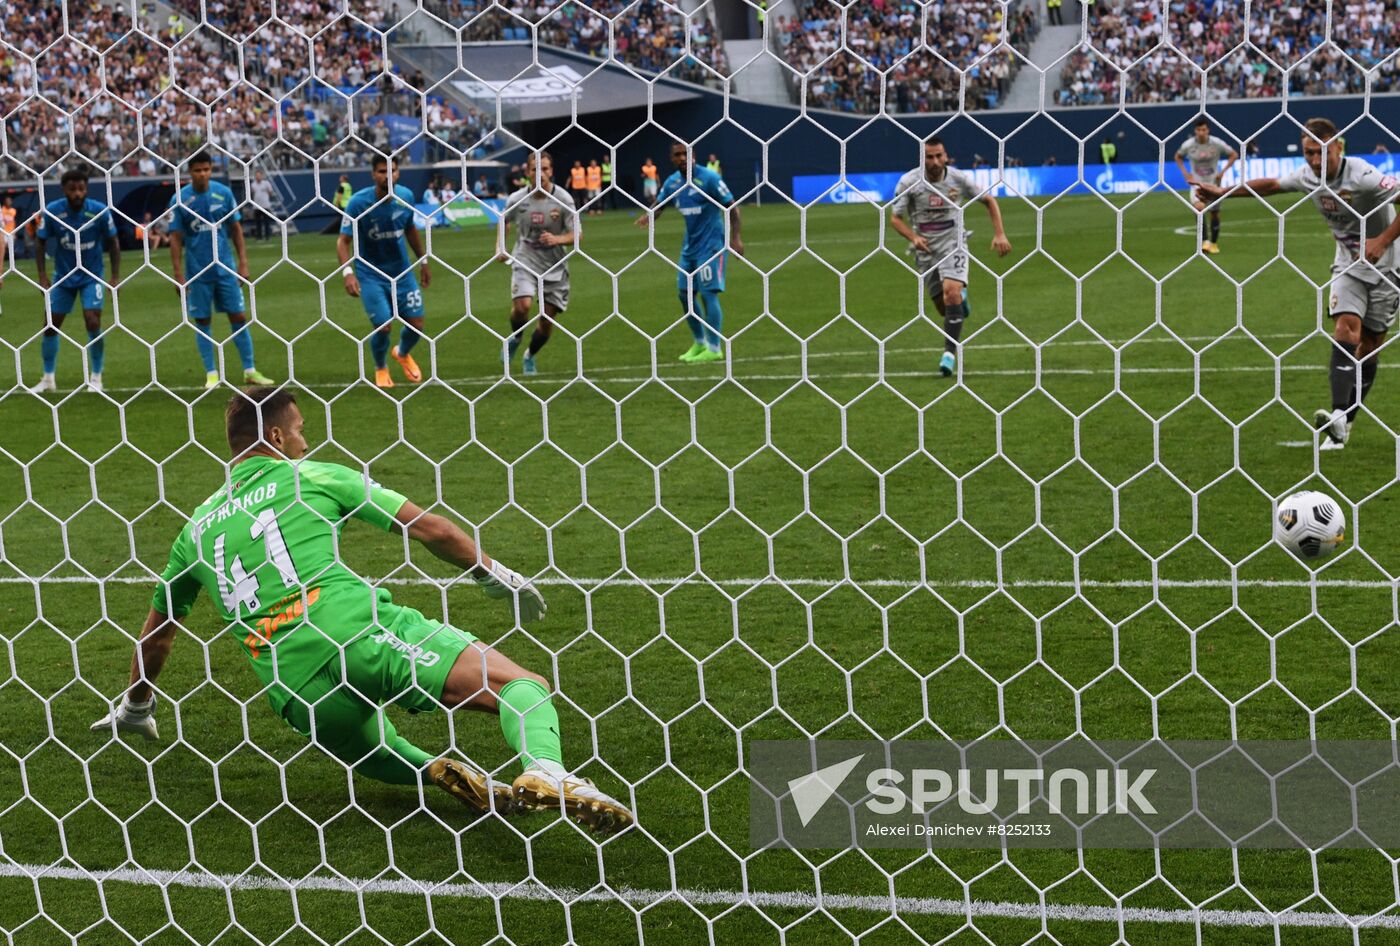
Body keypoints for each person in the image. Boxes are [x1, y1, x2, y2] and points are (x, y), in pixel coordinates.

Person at [91, 386, 632, 835]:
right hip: (355, 633)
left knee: (377, 748)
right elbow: (430, 528)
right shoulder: (312, 476)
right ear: (275, 437)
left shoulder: (194, 531)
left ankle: (437, 771)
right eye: (299, 429)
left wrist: (136, 705)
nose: (305, 441)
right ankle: (548, 771)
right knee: (520, 686)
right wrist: (492, 573)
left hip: (293, 688)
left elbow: (158, 635)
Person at [1199, 117, 1400, 451]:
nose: (1316, 161)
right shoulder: (1307, 176)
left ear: (1338, 147)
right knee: (1345, 327)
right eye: (1309, 153)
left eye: (1322, 152)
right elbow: (1271, 185)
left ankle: (1347, 420)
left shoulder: (1363, 176)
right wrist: (1224, 192)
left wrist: (1382, 240)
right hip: (1348, 266)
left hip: (1387, 268)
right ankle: (1338, 416)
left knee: (1369, 346)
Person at [889, 136, 1012, 377]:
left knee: (951, 292)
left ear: (946, 156)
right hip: (925, 249)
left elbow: (989, 200)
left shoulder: (959, 179)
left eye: (939, 156)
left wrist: (1000, 234)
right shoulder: (909, 182)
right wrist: (913, 238)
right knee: (943, 307)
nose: (935, 161)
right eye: (929, 157)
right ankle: (960, 301)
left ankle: (949, 354)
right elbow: (895, 219)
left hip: (954, 244)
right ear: (922, 159)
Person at [168, 151, 274, 389]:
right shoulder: (179, 199)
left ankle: (250, 370)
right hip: (197, 272)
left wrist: (243, 263)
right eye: (198, 170)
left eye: (206, 169)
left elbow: (235, 229)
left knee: (239, 317)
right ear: (190, 172)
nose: (202, 174)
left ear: (211, 169)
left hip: (226, 269)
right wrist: (178, 275)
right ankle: (212, 374)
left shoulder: (223, 193)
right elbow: (175, 238)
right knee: (202, 320)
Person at [635, 141, 743, 363]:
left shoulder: (709, 178)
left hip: (712, 246)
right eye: (678, 154)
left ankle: (714, 347)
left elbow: (732, 207)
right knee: (684, 295)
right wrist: (648, 216)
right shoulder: (673, 182)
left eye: (686, 154)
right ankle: (699, 342)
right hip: (690, 248)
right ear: (672, 158)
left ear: (693, 156)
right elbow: (660, 204)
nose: (682, 158)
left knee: (708, 294)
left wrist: (735, 238)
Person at [338, 155, 430, 389]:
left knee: (417, 324)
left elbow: (410, 229)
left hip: (402, 273)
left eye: (392, 171)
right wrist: (348, 273)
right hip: (371, 275)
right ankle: (381, 367)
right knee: (384, 326)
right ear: (373, 174)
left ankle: (402, 353)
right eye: (381, 171)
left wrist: (424, 261)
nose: (387, 176)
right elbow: (343, 241)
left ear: (398, 173)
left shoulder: (406, 197)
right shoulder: (358, 203)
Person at [29, 169, 120, 395]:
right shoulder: (53, 211)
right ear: (64, 190)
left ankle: (96, 377)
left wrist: (115, 277)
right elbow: (40, 242)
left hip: (92, 276)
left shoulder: (99, 211)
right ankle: (48, 379)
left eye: (81, 189)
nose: (77, 193)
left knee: (92, 321)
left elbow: (113, 242)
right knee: (50, 325)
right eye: (72, 189)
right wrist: (42, 276)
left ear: (86, 189)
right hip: (63, 277)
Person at [498, 151, 577, 377]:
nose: (540, 174)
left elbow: (576, 235)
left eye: (545, 169)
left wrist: (557, 239)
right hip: (525, 258)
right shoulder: (516, 199)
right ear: (527, 172)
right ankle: (516, 337)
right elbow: (504, 220)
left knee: (546, 323)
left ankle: (530, 355)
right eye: (535, 169)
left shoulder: (564, 199)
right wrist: (500, 246)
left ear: (551, 171)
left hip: (554, 266)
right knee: (523, 306)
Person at [1174, 118, 1237, 255]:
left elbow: (1233, 154)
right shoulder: (1188, 145)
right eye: (1198, 130)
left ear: (1208, 130)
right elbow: (1178, 156)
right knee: (1199, 209)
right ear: (1195, 131)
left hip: (1213, 184)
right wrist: (1186, 174)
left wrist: (1223, 172)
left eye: (1203, 130)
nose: (1201, 132)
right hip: (1196, 184)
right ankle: (1205, 241)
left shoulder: (1216, 143)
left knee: (1214, 213)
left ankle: (1214, 243)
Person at [249, 169, 276, 242]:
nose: (258, 177)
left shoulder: (266, 183)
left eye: (259, 175)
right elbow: (252, 193)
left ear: (262, 176)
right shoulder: (253, 184)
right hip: (256, 206)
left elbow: (270, 192)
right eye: (257, 176)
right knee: (258, 223)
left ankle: (267, 237)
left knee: (266, 222)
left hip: (265, 205)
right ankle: (259, 237)